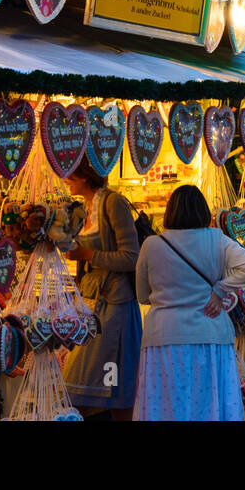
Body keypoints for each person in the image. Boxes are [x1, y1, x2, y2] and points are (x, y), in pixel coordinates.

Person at [133, 185, 245, 421]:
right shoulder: (217, 239)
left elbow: (143, 295)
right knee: (208, 404)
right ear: (203, 211)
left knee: (167, 405)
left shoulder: (151, 245)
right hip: (210, 333)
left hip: (164, 336)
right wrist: (220, 289)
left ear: (170, 211)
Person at [64, 158, 143, 418]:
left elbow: (131, 257)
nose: (65, 179)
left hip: (115, 307)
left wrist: (88, 254)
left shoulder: (113, 203)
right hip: (91, 304)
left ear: (85, 175)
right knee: (84, 381)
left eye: (70, 175)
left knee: (114, 383)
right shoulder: (82, 208)